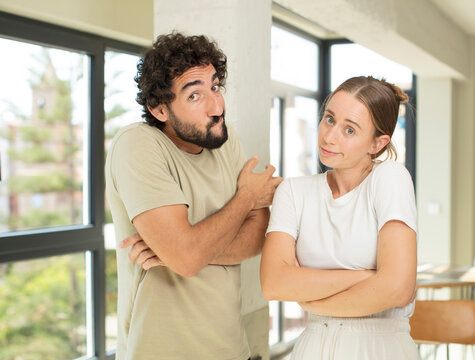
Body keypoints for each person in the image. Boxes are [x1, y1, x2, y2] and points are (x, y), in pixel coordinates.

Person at [105, 32, 282, 360]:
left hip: (231, 349)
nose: (217, 106)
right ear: (159, 110)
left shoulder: (225, 141)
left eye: (215, 87)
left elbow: (259, 235)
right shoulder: (137, 146)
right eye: (194, 95)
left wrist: (182, 250)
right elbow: (186, 257)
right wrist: (245, 198)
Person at [260, 76, 419, 359]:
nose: (329, 136)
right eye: (329, 119)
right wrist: (368, 278)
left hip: (380, 349)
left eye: (349, 130)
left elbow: (397, 289)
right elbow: (273, 283)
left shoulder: (390, 178)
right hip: (312, 348)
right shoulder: (294, 191)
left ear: (377, 143)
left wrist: (309, 299)